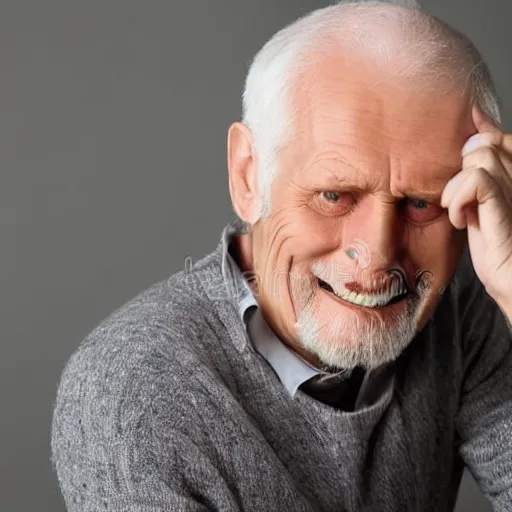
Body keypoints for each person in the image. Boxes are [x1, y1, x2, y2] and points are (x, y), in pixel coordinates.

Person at [51, 1, 512, 510]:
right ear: (249, 176)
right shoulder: (134, 392)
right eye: (334, 196)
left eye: (422, 203)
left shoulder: (466, 302)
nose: (378, 255)